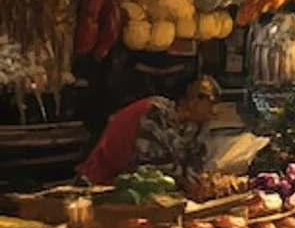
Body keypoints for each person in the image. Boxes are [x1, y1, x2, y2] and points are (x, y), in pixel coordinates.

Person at [78, 76, 220, 187]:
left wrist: (196, 181)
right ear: (193, 100)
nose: (215, 109)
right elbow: (152, 168)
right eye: (211, 102)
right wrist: (185, 183)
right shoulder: (154, 112)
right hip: (105, 182)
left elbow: (195, 159)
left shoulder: (197, 124)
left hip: (147, 189)